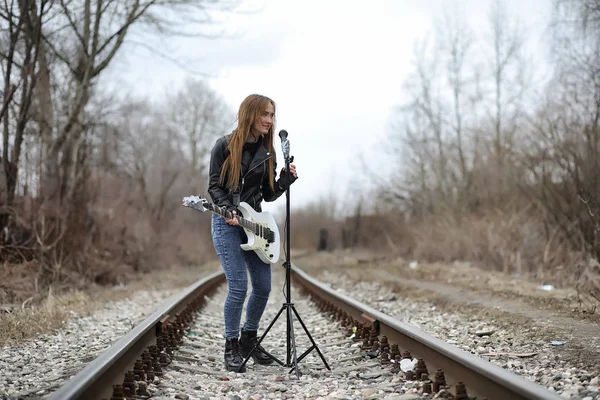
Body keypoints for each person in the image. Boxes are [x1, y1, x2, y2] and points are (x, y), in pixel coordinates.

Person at [208, 94, 297, 372]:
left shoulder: (267, 151)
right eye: (265, 115)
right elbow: (213, 187)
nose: (270, 121)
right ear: (250, 114)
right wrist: (228, 209)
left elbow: (268, 194)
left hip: (255, 225)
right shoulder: (224, 145)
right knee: (238, 287)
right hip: (227, 223)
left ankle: (249, 340)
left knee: (263, 288)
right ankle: (231, 345)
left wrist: (285, 179)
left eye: (272, 115)